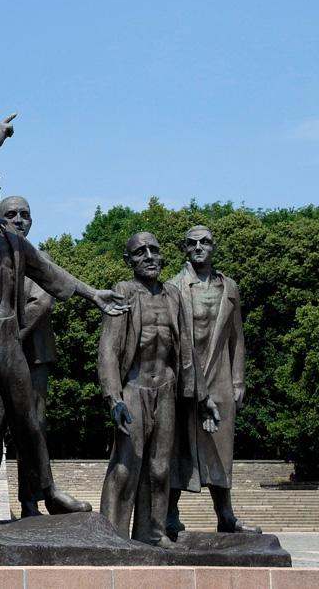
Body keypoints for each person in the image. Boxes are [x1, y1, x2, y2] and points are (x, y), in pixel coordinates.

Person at [0, 113, 127, 512]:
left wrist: (93, 294)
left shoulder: (12, 240)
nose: (0, 186)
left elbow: (51, 273)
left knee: (29, 421)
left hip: (9, 340)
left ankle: (48, 492)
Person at [97, 232, 219, 545]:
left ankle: (151, 532)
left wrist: (203, 397)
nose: (149, 256)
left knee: (160, 468)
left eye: (154, 250)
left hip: (166, 389)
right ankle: (112, 535)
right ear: (128, 260)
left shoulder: (172, 295)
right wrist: (114, 398)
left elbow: (187, 349)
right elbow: (108, 350)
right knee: (125, 466)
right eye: (140, 252)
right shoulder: (124, 292)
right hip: (133, 388)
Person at [166, 226, 260, 536]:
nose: (198, 247)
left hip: (220, 375)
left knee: (221, 447)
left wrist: (238, 379)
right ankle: (170, 514)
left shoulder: (229, 287)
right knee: (178, 446)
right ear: (185, 248)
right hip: (184, 377)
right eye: (192, 243)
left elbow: (237, 336)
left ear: (213, 247)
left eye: (204, 242)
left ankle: (226, 515)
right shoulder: (173, 287)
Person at [0, 195, 58, 517]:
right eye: (11, 214)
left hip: (33, 358)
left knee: (32, 428)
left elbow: (41, 302)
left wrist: (9, 338)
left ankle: (30, 501)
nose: (19, 220)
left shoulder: (40, 261)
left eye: (24, 215)